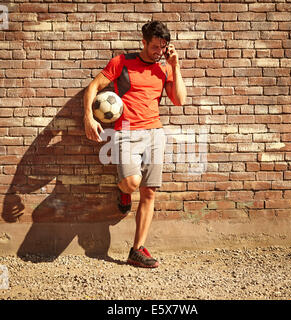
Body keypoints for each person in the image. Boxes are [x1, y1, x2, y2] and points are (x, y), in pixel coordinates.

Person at [83, 21, 187, 268]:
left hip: (154, 133)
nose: (158, 52)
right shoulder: (122, 62)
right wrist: (88, 116)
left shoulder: (165, 68)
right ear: (143, 42)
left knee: (149, 191)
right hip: (126, 132)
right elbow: (93, 87)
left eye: (162, 47)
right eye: (154, 47)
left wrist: (175, 66)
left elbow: (179, 100)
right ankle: (123, 191)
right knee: (131, 183)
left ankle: (137, 250)